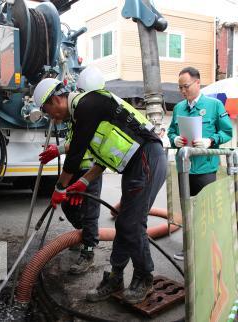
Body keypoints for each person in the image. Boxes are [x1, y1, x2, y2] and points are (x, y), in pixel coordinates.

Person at [33, 77, 167, 304]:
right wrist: (84, 182)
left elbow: (74, 157)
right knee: (126, 222)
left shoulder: (87, 105)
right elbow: (102, 157)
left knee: (131, 223)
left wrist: (59, 188)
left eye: (49, 111)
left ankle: (144, 277)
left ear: (56, 100)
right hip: (135, 165)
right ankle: (115, 277)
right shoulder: (84, 113)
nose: (51, 118)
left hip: (147, 158)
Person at [38, 67, 105, 274]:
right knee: (68, 206)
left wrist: (61, 184)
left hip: (91, 168)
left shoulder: (93, 112)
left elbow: (84, 146)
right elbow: (74, 143)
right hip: (76, 167)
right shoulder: (77, 112)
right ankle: (82, 234)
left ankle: (88, 251)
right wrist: (57, 149)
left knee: (90, 211)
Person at [167, 66, 232, 260]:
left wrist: (210, 141)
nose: (182, 91)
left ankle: (207, 251)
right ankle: (188, 249)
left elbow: (228, 131)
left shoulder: (214, 105)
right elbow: (171, 131)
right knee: (188, 210)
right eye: (180, 88)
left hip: (205, 169)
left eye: (185, 86)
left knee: (206, 211)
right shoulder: (179, 108)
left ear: (197, 83)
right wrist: (174, 139)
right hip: (184, 168)